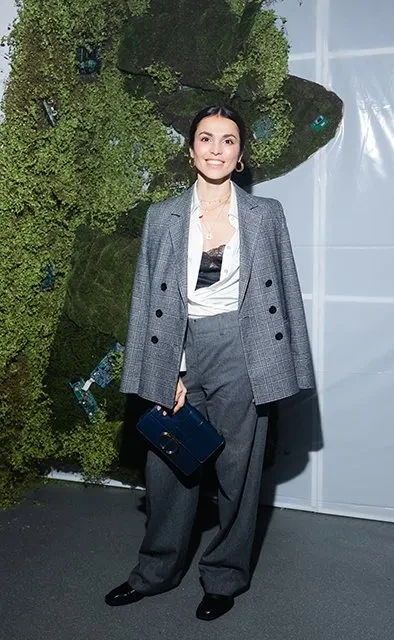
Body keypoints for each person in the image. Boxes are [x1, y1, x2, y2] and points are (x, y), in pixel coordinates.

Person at [105, 105, 314, 620]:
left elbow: (285, 290)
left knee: (238, 469)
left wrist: (286, 363)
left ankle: (224, 576)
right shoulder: (163, 216)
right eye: (205, 138)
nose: (216, 149)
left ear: (240, 156)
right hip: (180, 345)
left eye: (228, 140)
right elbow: (147, 298)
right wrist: (168, 368)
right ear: (191, 149)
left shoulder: (265, 214)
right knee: (168, 465)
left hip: (243, 347)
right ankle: (155, 571)